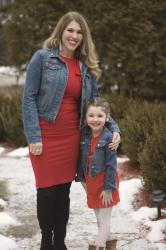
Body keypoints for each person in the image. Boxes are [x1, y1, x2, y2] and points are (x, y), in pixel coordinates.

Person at [22, 11, 121, 250]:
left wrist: (114, 128)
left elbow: (97, 103)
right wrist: (34, 136)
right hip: (44, 137)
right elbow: (28, 98)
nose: (74, 36)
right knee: (46, 191)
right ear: (61, 31)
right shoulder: (42, 58)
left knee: (63, 192)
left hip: (72, 138)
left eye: (79, 32)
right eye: (70, 30)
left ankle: (60, 243)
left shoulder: (83, 67)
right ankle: (47, 241)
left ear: (83, 37)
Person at [76, 97, 120, 250]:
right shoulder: (84, 135)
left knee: (104, 218)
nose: (95, 120)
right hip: (91, 182)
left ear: (107, 118)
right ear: (86, 117)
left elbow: (111, 165)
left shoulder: (109, 138)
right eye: (91, 116)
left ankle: (99, 245)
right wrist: (82, 180)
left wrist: (108, 188)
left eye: (100, 116)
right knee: (98, 217)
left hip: (106, 182)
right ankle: (110, 241)